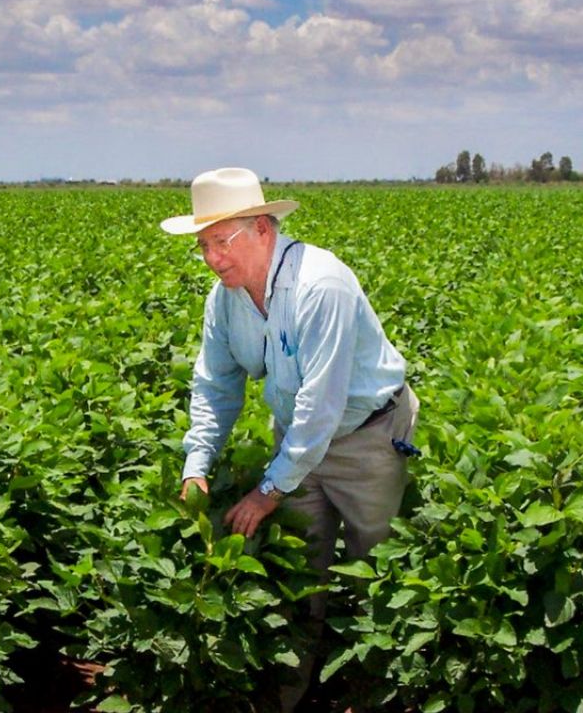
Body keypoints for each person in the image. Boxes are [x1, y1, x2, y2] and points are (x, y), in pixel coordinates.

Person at [162, 167, 419, 709]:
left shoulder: (319, 286)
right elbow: (215, 384)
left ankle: (378, 691)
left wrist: (267, 491)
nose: (212, 258)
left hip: (366, 437)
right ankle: (296, 694)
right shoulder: (225, 299)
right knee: (303, 571)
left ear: (262, 228)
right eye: (203, 245)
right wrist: (196, 463)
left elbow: (321, 407)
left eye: (221, 241)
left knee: (374, 566)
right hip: (297, 440)